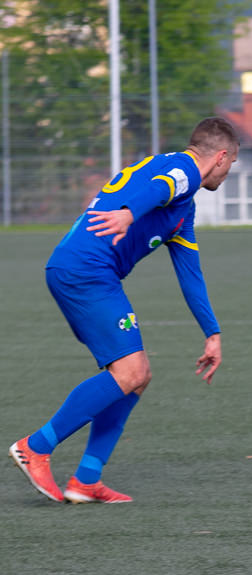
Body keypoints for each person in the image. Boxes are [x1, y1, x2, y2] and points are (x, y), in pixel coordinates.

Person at [9, 117, 239, 503]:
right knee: (130, 371)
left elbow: (190, 273)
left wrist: (211, 332)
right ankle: (35, 447)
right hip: (86, 272)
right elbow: (159, 188)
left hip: (87, 273)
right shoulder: (181, 170)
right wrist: (131, 213)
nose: (229, 172)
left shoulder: (184, 208)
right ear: (220, 156)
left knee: (138, 376)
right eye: (231, 162)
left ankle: (86, 479)